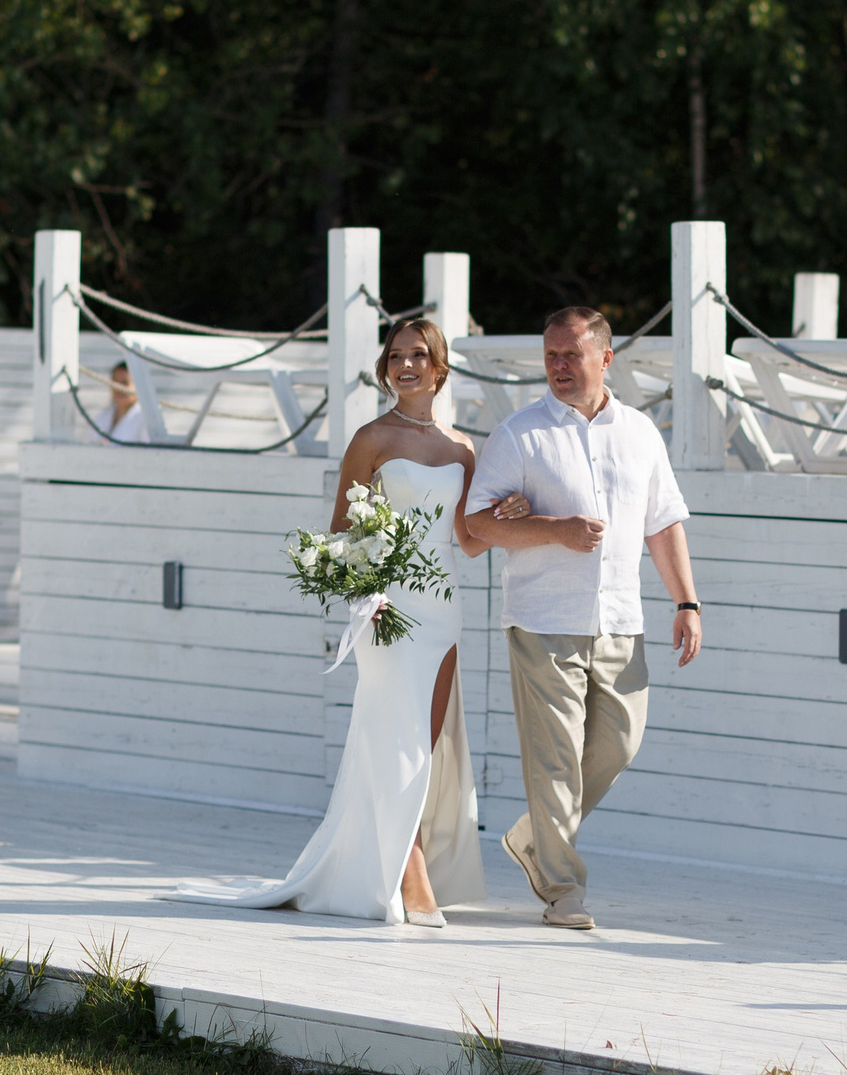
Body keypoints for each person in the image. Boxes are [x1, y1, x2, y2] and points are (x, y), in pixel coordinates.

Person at [166, 319, 489, 927]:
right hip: (387, 610)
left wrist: (511, 513)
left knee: (423, 745)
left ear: (441, 367)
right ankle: (410, 870)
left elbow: (468, 540)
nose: (407, 365)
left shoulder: (465, 448)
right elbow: (341, 531)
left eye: (419, 355)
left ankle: (397, 858)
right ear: (385, 367)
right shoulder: (371, 438)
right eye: (396, 355)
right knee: (393, 738)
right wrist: (366, 593)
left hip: (443, 612)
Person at [462, 306, 702, 931]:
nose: (559, 367)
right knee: (555, 760)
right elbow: (475, 526)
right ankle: (562, 889)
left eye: (571, 355)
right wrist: (553, 531)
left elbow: (664, 522)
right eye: (550, 356)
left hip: (622, 617)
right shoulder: (519, 434)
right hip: (543, 619)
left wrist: (687, 601)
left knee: (619, 744)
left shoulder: (643, 433)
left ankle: (532, 837)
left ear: (606, 358)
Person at [105, 362, 147, 443]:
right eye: (115, 383)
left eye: (124, 383)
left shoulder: (144, 418)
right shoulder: (103, 416)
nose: (119, 388)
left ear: (137, 386)